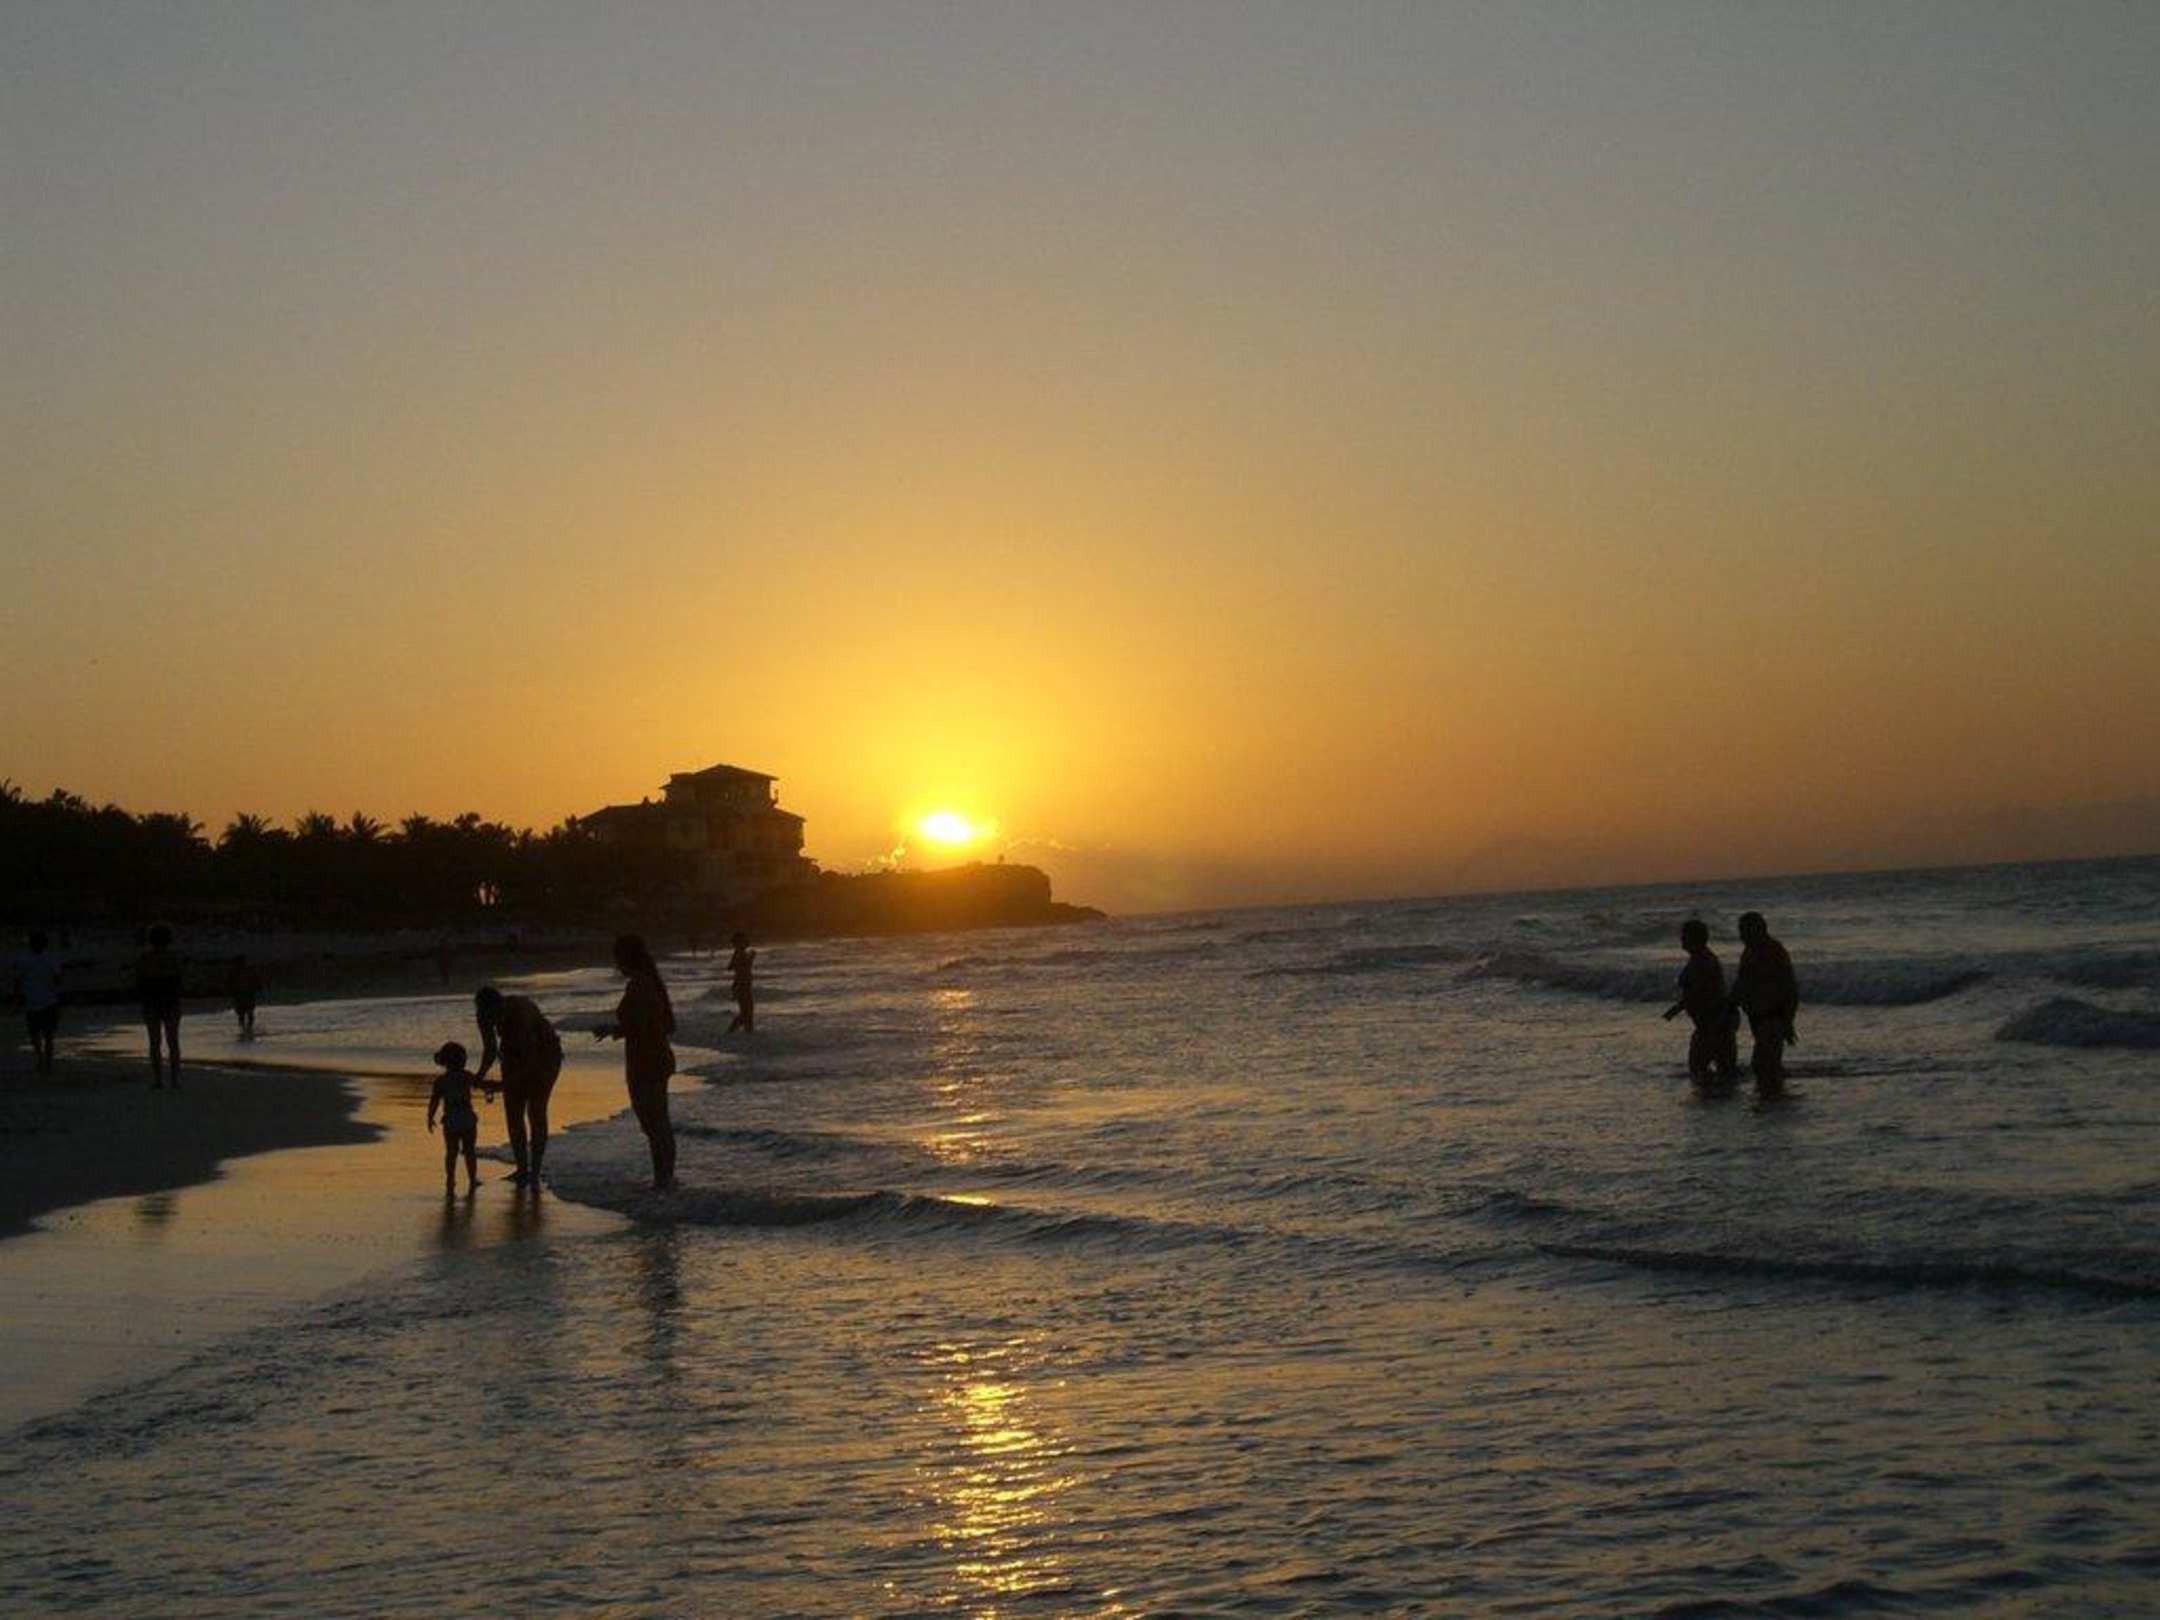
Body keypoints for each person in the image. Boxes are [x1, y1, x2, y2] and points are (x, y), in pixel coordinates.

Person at [594, 933, 677, 1190]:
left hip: (646, 1061)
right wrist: (616, 1031)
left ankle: (663, 1180)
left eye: (617, 958)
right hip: (657, 1057)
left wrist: (614, 1029)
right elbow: (664, 1025)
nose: (616, 964)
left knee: (653, 1124)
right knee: (658, 1122)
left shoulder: (638, 985)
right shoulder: (651, 982)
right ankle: (665, 1178)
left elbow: (640, 1026)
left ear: (625, 957)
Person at [473, 986, 563, 1186]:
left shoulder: (521, 1011)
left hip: (546, 1055)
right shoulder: (483, 1016)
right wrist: (479, 1076)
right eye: (487, 1015)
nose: (491, 1020)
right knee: (513, 1113)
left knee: (536, 1111)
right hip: (512, 1055)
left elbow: (530, 1063)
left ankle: (535, 1171)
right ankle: (522, 1169)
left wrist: (502, 1085)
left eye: (494, 1015)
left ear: (500, 1004)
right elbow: (490, 1049)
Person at [1728, 911, 1799, 1096]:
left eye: (1744, 931)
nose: (1741, 936)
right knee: (1765, 1066)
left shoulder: (1774, 951)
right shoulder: (1749, 952)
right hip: (1757, 1018)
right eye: (1741, 931)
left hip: (1773, 1016)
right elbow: (1742, 982)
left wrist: (1788, 1021)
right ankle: (1773, 1098)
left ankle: (1774, 1100)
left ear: (1758, 930)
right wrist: (1729, 1004)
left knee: (1764, 1065)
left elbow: (1789, 987)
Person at [1662, 918, 1739, 1088]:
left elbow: (1702, 992)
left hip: (1715, 1024)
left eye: (1685, 936)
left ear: (1695, 938)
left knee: (1704, 1070)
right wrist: (1677, 1009)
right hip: (1712, 1023)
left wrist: (1678, 1008)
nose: (1681, 939)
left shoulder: (1703, 961)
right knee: (1717, 1073)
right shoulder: (1700, 959)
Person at [426, 1040, 496, 1196]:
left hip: (450, 1120)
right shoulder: (466, 1076)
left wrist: (430, 1118)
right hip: (467, 1119)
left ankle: (450, 1179)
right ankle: (472, 1178)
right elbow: (481, 1085)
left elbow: (434, 1101)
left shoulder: (441, 1081)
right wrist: (491, 1090)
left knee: (451, 1152)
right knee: (470, 1151)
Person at [137, 923, 185, 1090]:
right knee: (173, 1042)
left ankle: (158, 1079)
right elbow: (179, 981)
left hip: (151, 1003)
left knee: (154, 1042)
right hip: (171, 1003)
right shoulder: (173, 958)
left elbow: (140, 981)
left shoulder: (145, 958)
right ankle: (174, 1080)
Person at [13, 930, 62, 1074]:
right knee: (48, 1035)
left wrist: (17, 998)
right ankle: (46, 1061)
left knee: (36, 1034)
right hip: (48, 1001)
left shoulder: (24, 960)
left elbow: (18, 981)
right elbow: (57, 980)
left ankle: (41, 1058)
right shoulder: (51, 959)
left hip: (33, 1002)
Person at [726, 931, 756, 1034]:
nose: (746, 941)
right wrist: (751, 958)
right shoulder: (740, 953)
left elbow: (730, 967)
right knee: (747, 1011)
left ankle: (745, 1031)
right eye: (743, 940)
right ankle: (734, 1032)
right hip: (742, 985)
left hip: (742, 984)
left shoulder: (738, 952)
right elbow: (744, 967)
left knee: (747, 1011)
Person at [228, 955, 262, 1040]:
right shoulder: (238, 972)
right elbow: (230, 984)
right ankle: (246, 1030)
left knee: (246, 1015)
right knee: (245, 1014)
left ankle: (246, 1030)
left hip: (245, 996)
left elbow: (256, 981)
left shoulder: (238, 972)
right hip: (243, 996)